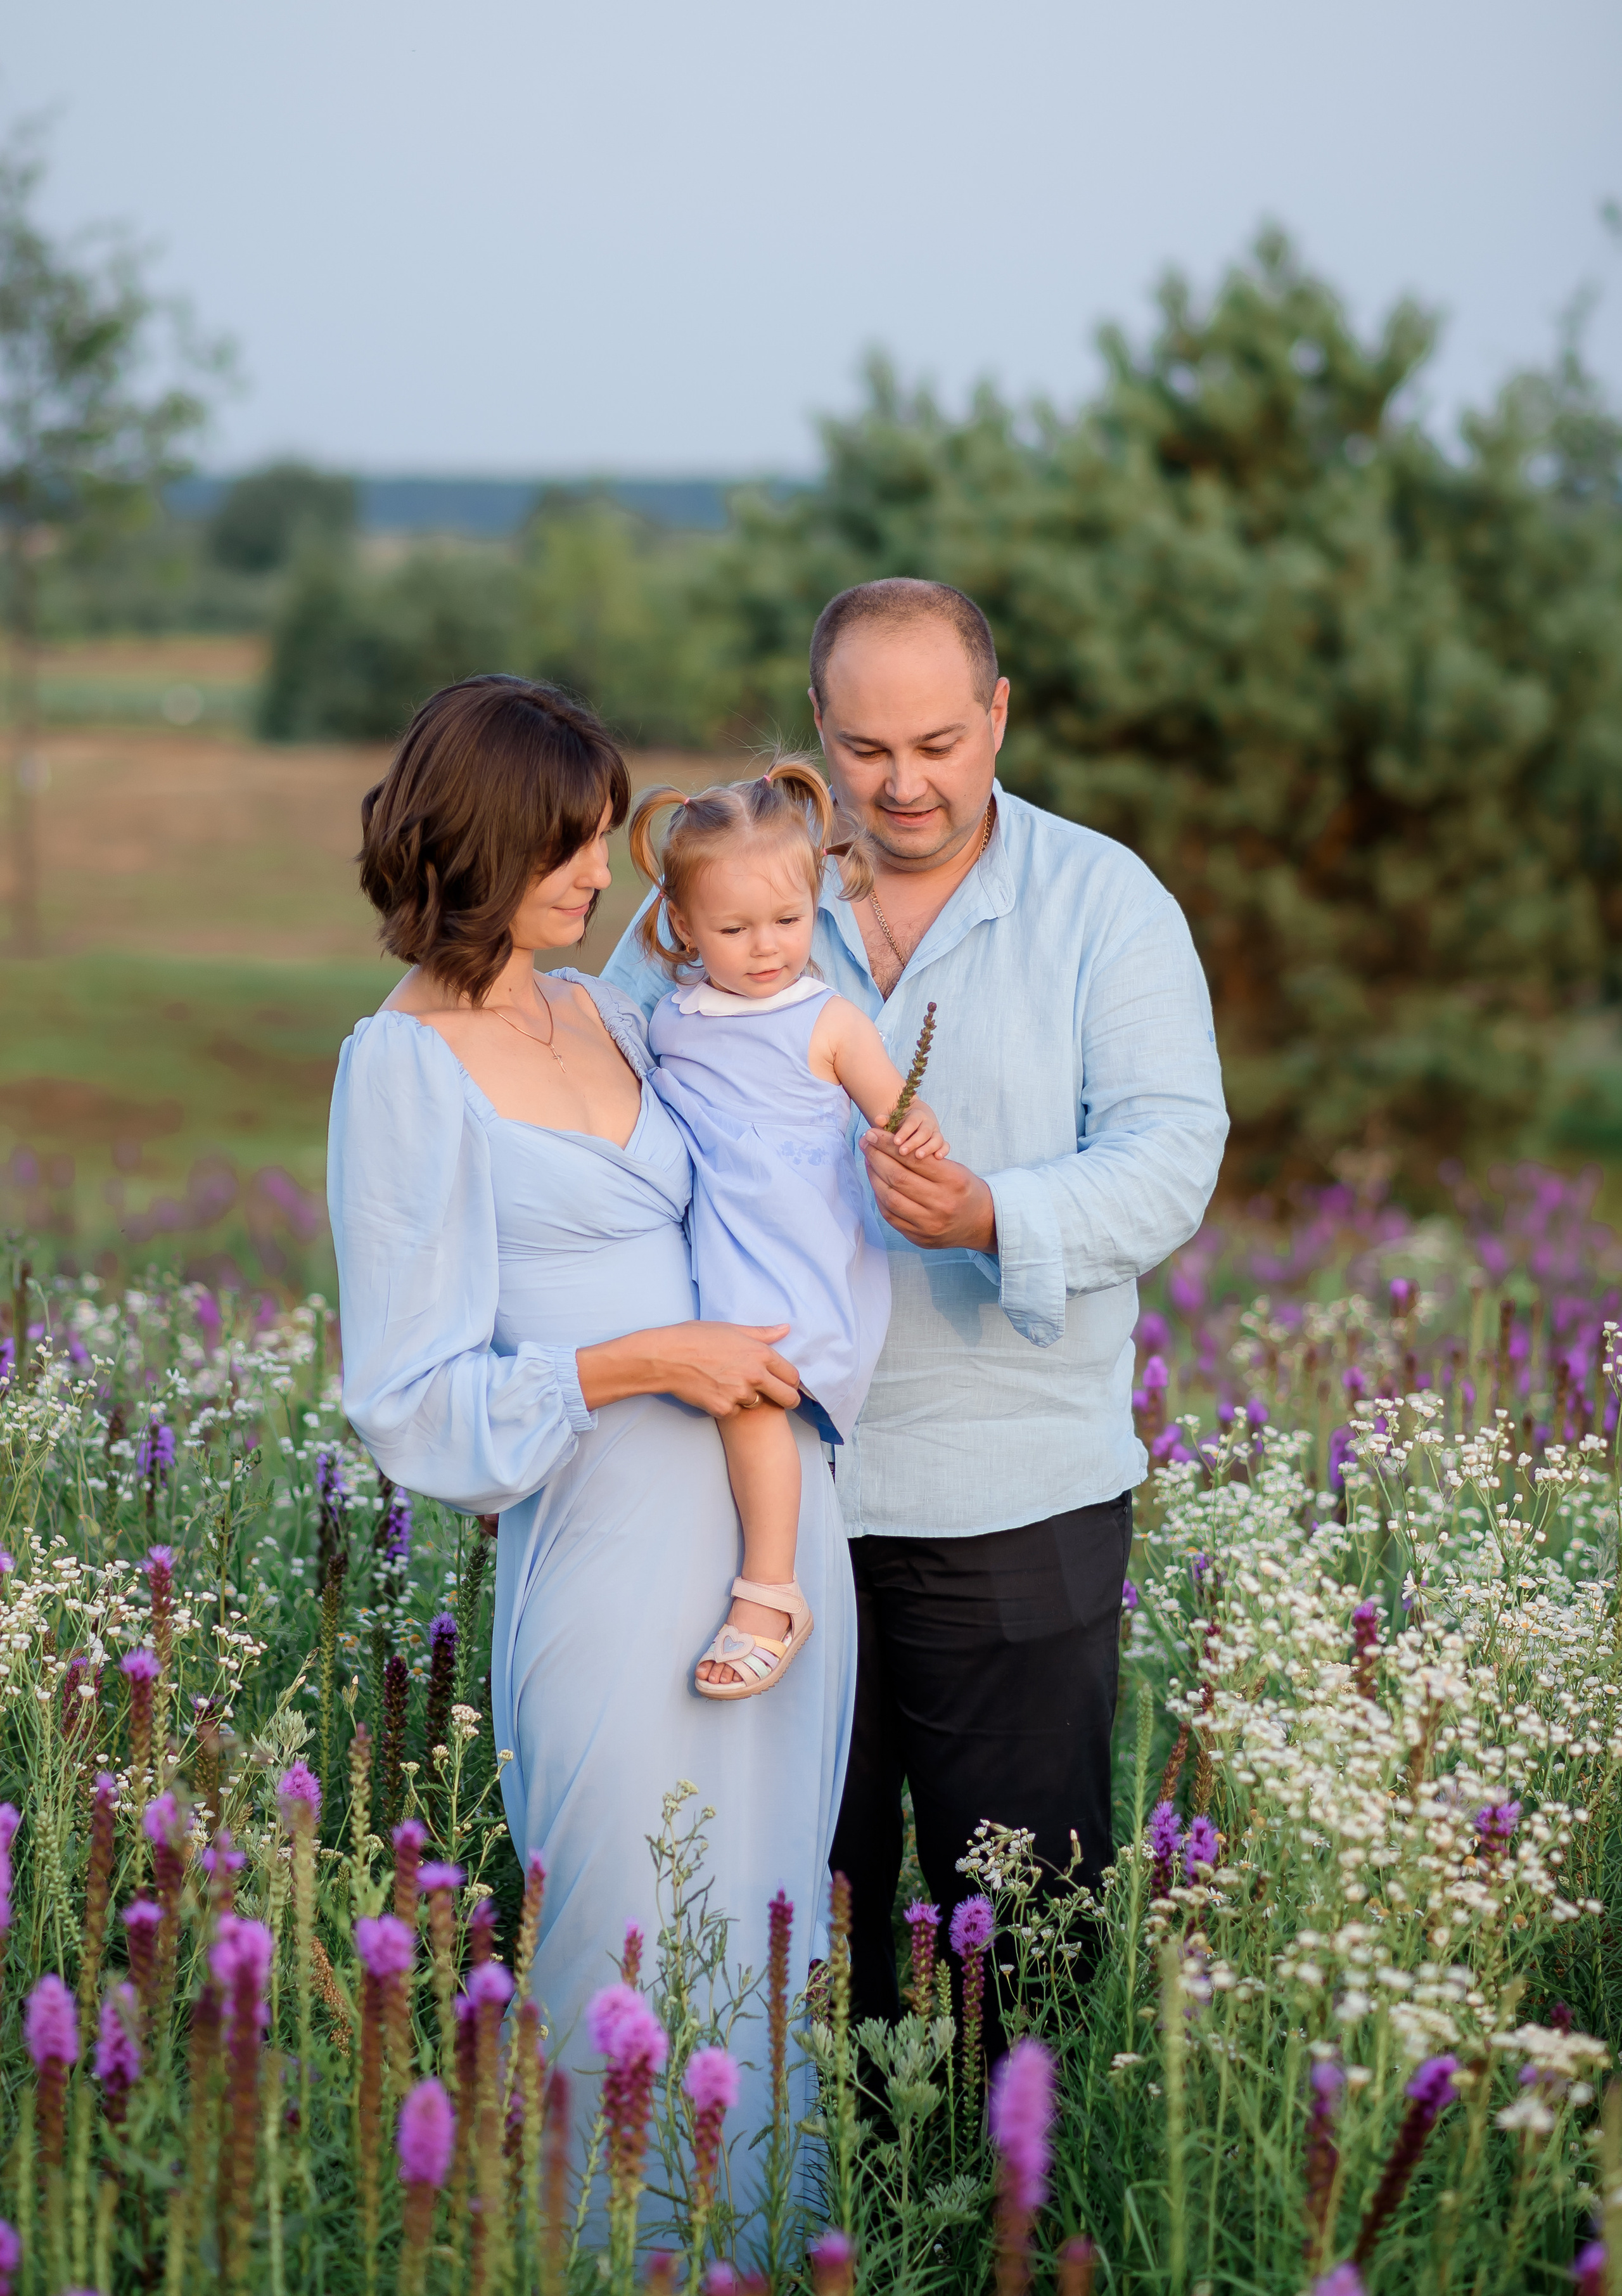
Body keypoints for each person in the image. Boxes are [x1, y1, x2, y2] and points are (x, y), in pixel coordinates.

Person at [603, 579, 1228, 2032]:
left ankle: (1009, 2174)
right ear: (816, 731)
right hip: (755, 1506)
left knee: (1022, 1936)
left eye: (938, 744)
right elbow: (607, 1102)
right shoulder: (712, 882)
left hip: (1011, 1493)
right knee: (789, 1931)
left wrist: (990, 1214)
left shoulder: (1103, 902)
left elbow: (1170, 1155)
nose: (901, 785)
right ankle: (810, 2176)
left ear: (997, 716)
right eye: (865, 749)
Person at [326, 675, 856, 2155]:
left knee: (764, 1948)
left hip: (770, 1545)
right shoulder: (401, 1067)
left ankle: (764, 2251)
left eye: (600, 838)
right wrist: (640, 1361)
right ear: (479, 842)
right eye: (564, 844)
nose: (596, 873)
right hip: (609, 1552)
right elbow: (407, 1399)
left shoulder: (608, 1008)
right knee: (618, 1948)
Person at [625, 759, 945, 1701]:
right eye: (733, 929)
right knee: (693, 1400)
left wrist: (917, 1137)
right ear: (683, 925)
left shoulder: (830, 1021)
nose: (766, 948)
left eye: (788, 920)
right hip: (709, 1243)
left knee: (752, 1396)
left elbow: (902, 1114)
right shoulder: (672, 1018)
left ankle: (772, 1590)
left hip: (791, 1249)